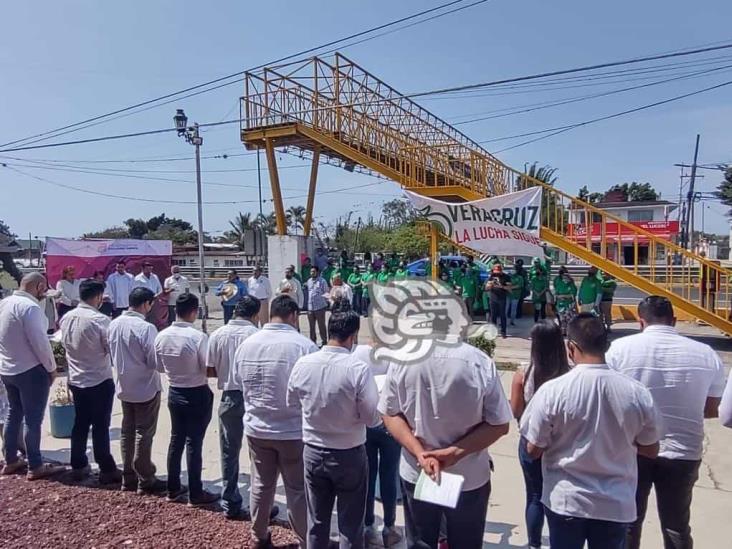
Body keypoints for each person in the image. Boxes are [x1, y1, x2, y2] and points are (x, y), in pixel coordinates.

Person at [520, 313, 662, 549]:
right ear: (605, 345)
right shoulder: (637, 392)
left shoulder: (552, 391)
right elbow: (650, 449)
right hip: (615, 504)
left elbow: (533, 449)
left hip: (567, 501)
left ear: (571, 347)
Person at [378, 319, 512, 548]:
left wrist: (420, 453)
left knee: (421, 542)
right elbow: (499, 424)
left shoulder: (404, 359)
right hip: (468, 477)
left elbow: (390, 414)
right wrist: (455, 453)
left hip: (419, 471)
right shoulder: (479, 362)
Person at [606, 296, 726, 549]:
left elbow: (609, 401)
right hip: (684, 453)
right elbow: (712, 409)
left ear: (640, 321)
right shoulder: (706, 354)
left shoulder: (619, 350)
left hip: (632, 451)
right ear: (674, 321)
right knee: (676, 526)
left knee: (628, 522)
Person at [288, 306, 381, 549]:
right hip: (349, 453)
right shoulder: (357, 369)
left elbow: (292, 403)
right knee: (350, 526)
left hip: (313, 450)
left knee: (317, 522)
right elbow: (372, 418)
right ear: (353, 337)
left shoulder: (303, 364)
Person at [237, 295, 317, 548]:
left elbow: (239, 383)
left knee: (261, 484)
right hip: (293, 430)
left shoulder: (248, 344)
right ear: (294, 316)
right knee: (297, 489)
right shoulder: (304, 346)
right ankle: (306, 539)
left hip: (257, 427)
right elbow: (313, 389)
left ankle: (259, 536)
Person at [510, 321, 570, 549]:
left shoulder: (523, 373)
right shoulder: (569, 373)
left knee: (534, 495)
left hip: (531, 442)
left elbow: (515, 410)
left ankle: (534, 543)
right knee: (559, 497)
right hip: (562, 442)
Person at [0, 273, 66, 480]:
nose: (45, 293)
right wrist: (51, 368)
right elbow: (40, 343)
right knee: (33, 419)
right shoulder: (30, 308)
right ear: (38, 287)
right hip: (30, 370)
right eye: (44, 289)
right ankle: (35, 465)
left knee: (13, 413)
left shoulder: (5, 303)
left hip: (8, 368)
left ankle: (10, 459)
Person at [154, 293, 218, 505]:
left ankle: (172, 489)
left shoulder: (161, 335)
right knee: (194, 443)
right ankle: (195, 492)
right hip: (196, 391)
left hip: (175, 390)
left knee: (176, 440)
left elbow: (159, 367)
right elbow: (207, 369)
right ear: (194, 311)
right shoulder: (198, 337)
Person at [60, 279, 121, 483]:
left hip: (76, 377)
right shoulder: (101, 320)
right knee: (100, 425)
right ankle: (106, 467)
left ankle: (78, 463)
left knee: (80, 422)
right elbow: (110, 349)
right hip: (98, 378)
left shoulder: (67, 317)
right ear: (97, 297)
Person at [207, 296, 261, 520]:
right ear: (255, 314)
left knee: (229, 451)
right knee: (258, 453)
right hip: (253, 397)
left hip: (229, 397)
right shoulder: (257, 336)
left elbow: (209, 371)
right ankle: (260, 504)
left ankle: (230, 500)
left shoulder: (218, 334)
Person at [108, 287, 166, 494]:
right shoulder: (146, 328)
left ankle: (128, 476)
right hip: (145, 386)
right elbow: (154, 361)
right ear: (145, 304)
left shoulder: (114, 323)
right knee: (144, 432)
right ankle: (146, 477)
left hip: (124, 384)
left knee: (128, 432)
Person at [352, 343, 403, 548]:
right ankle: (389, 527)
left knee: (368, 474)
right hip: (390, 420)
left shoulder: (357, 352)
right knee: (389, 474)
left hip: (366, 420)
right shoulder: (398, 354)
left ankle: (367, 526)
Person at [485, 264, 511, 337]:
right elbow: (486, 288)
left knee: (503, 315)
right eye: (495, 271)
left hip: (502, 298)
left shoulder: (506, 277)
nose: (497, 273)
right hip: (493, 298)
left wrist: (501, 286)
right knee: (493, 316)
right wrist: (490, 285)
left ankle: (503, 332)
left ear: (501, 271)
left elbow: (509, 288)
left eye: (498, 271)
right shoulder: (491, 276)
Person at [305, 266, 329, 346]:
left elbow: (326, 292)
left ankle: (324, 341)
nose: (312, 273)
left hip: (320, 307)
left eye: (313, 271)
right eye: (311, 271)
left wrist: (326, 303)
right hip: (310, 308)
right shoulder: (309, 281)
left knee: (321, 325)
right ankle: (313, 342)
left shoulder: (322, 281)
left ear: (317, 272)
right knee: (311, 327)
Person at [553, 266, 577, 335]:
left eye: (566, 278)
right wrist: (560, 297)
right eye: (564, 278)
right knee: (562, 319)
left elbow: (572, 294)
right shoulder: (559, 284)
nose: (565, 279)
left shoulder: (572, 285)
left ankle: (570, 332)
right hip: (560, 305)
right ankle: (563, 332)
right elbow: (556, 294)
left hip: (569, 305)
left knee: (569, 319)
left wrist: (563, 296)